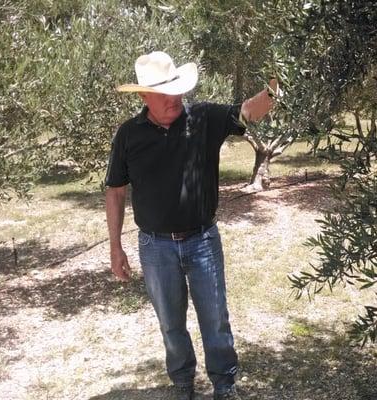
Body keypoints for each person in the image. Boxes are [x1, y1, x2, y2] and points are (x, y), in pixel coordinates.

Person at [105, 51, 276, 400]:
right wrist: (115, 246)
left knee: (215, 320)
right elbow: (115, 190)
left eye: (176, 89)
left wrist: (279, 83)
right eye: (163, 92)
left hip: (202, 241)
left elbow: (249, 110)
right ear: (143, 97)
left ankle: (224, 387)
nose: (174, 98)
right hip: (155, 247)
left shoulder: (204, 118)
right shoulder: (128, 135)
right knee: (170, 323)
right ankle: (182, 384)